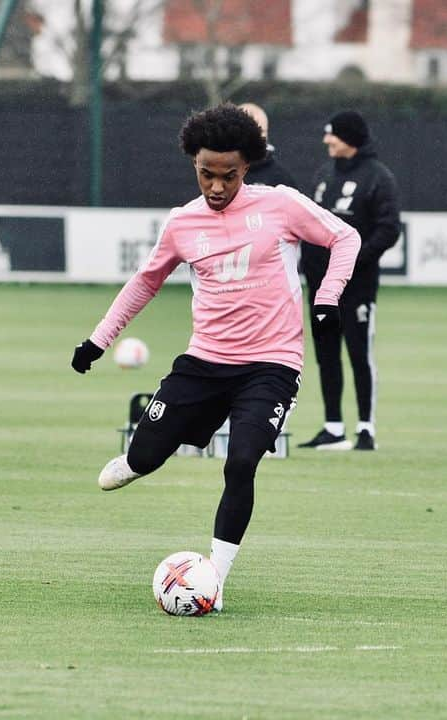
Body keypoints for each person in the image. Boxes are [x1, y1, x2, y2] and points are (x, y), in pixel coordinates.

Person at [71, 104, 360, 610]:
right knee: (144, 457)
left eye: (229, 175)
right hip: (204, 362)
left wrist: (327, 298)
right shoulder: (183, 223)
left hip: (271, 364)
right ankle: (137, 461)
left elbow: (345, 237)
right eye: (207, 173)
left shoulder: (280, 205)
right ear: (194, 165)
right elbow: (146, 282)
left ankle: (215, 579)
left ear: (247, 167)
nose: (217, 186)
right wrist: (98, 340)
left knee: (242, 461)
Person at [299, 110, 401, 452]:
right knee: (326, 355)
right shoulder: (324, 174)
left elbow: (389, 229)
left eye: (334, 135)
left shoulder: (378, 177)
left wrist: (351, 261)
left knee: (359, 353)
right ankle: (333, 427)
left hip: (356, 287)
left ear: (351, 140)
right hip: (320, 286)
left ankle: (365, 429)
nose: (327, 140)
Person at [237, 102, 299, 190]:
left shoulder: (281, 179)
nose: (255, 137)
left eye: (261, 132)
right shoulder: (216, 170)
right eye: (247, 132)